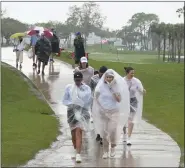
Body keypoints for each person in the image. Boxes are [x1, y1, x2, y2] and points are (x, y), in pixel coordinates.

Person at [92, 69, 130, 159]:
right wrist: (100, 107)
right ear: (105, 78)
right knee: (104, 132)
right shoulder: (100, 86)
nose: (109, 79)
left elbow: (119, 100)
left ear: (113, 78)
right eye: (107, 77)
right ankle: (105, 151)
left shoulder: (116, 86)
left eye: (111, 77)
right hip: (103, 112)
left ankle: (113, 147)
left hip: (114, 111)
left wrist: (113, 90)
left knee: (112, 130)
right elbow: (96, 98)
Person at [62, 71, 92, 163]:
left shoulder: (86, 88)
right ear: (74, 79)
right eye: (76, 80)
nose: (78, 82)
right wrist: (72, 104)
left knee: (79, 131)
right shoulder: (69, 88)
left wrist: (81, 104)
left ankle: (78, 154)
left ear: (82, 79)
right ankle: (75, 148)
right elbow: (64, 100)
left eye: (79, 80)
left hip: (83, 111)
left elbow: (88, 100)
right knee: (73, 133)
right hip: (71, 111)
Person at [122, 67, 146, 145]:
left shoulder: (136, 81)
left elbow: (140, 89)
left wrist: (143, 91)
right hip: (124, 101)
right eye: (131, 73)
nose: (132, 74)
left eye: (133, 73)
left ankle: (129, 138)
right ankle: (124, 134)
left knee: (130, 120)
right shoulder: (122, 81)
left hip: (133, 100)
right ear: (127, 73)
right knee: (124, 119)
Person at [90, 66, 108, 144]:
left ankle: (102, 135)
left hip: (105, 102)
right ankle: (98, 133)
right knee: (97, 119)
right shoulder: (94, 79)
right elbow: (91, 89)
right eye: (102, 73)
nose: (103, 75)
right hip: (96, 101)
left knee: (104, 119)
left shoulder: (109, 78)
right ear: (99, 72)